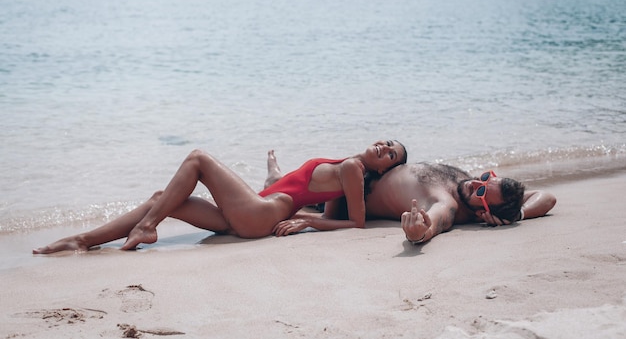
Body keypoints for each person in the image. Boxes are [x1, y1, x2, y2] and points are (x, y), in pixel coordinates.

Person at [33, 140, 407, 254]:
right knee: (163, 197)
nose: (386, 147)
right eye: (389, 143)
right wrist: (274, 169)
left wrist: (308, 223)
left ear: (380, 170)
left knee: (197, 158)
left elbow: (357, 223)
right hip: (252, 215)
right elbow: (297, 190)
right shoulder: (345, 166)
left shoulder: (355, 169)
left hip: (260, 217)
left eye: (392, 155)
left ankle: (147, 227)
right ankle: (83, 240)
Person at [267, 158, 556, 244]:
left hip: (348, 200)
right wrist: (517, 215)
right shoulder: (470, 186)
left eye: (481, 193)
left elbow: (433, 224)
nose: (475, 184)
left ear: (484, 214)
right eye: (484, 177)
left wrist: (418, 231)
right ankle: (276, 179)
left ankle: (273, 182)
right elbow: (547, 197)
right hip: (362, 176)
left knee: (291, 199)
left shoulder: (448, 204)